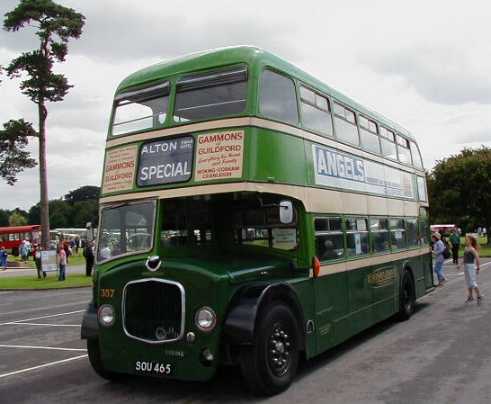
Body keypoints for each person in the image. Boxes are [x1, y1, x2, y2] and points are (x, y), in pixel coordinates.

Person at [462, 235, 482, 304]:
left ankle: (479, 295)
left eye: (467, 240)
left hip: (470, 266)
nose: (465, 241)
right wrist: (460, 264)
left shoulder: (472, 249)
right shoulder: (466, 248)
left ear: (471, 241)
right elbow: (464, 258)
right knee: (468, 281)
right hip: (466, 266)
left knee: (472, 282)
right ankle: (470, 296)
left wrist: (478, 267)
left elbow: (477, 258)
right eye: (465, 240)